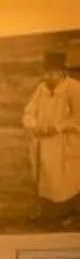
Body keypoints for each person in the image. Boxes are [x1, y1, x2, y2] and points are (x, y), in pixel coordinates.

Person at [26, 48, 80, 229]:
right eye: (46, 72)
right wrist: (32, 125)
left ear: (62, 72)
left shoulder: (73, 88)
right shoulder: (41, 89)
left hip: (65, 140)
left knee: (66, 179)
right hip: (44, 141)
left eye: (54, 72)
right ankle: (46, 212)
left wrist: (59, 127)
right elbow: (29, 111)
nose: (49, 76)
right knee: (45, 178)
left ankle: (69, 213)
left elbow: (77, 116)